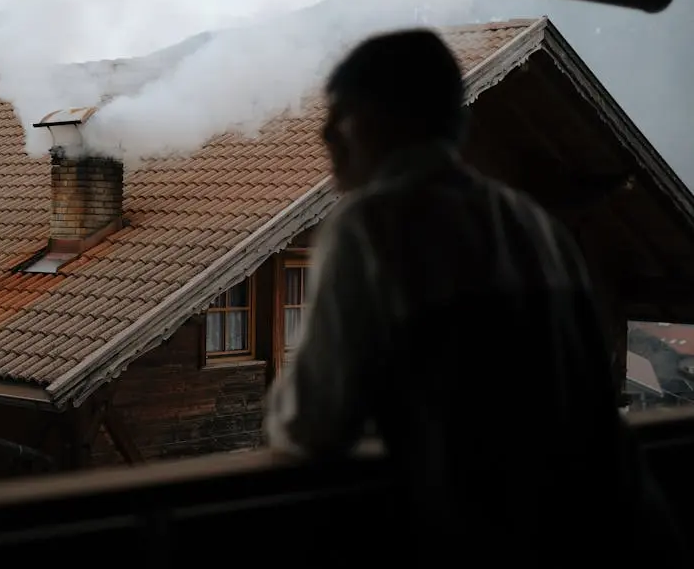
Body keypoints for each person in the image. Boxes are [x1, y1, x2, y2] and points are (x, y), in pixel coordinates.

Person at [264, 29, 684, 565]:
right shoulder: (535, 222)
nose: (325, 133)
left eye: (341, 112)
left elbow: (314, 424)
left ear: (391, 117)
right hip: (624, 528)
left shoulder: (372, 226)